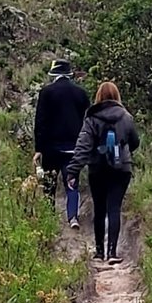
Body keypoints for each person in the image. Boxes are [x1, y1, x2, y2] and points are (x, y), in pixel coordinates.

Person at [66, 81, 139, 265]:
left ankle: (99, 252)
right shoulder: (126, 116)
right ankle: (112, 252)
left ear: (98, 96)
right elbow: (135, 141)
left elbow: (83, 146)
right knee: (114, 207)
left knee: (99, 209)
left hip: (97, 168)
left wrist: (73, 171)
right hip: (121, 168)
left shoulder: (91, 118)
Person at [33, 58, 90, 229]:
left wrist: (38, 149)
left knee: (49, 184)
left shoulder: (46, 92)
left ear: (54, 74)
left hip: (51, 149)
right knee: (71, 183)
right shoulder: (81, 93)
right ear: (69, 73)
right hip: (73, 148)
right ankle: (73, 217)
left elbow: (40, 122)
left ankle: (49, 218)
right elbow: (88, 121)